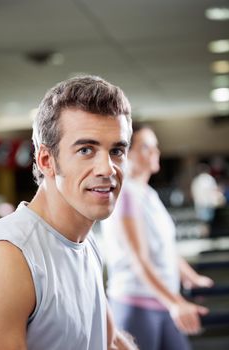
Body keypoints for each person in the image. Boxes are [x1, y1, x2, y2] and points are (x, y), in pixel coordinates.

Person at [0, 75, 139, 350]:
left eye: (117, 150)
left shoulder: (86, 242)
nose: (107, 169)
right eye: (86, 149)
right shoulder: (10, 257)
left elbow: (110, 341)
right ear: (47, 161)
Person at [101, 123, 214, 350]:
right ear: (126, 154)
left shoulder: (148, 194)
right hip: (136, 306)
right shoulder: (125, 195)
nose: (155, 152)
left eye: (155, 146)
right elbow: (138, 259)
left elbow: (165, 248)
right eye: (145, 147)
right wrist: (176, 303)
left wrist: (190, 276)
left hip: (162, 301)